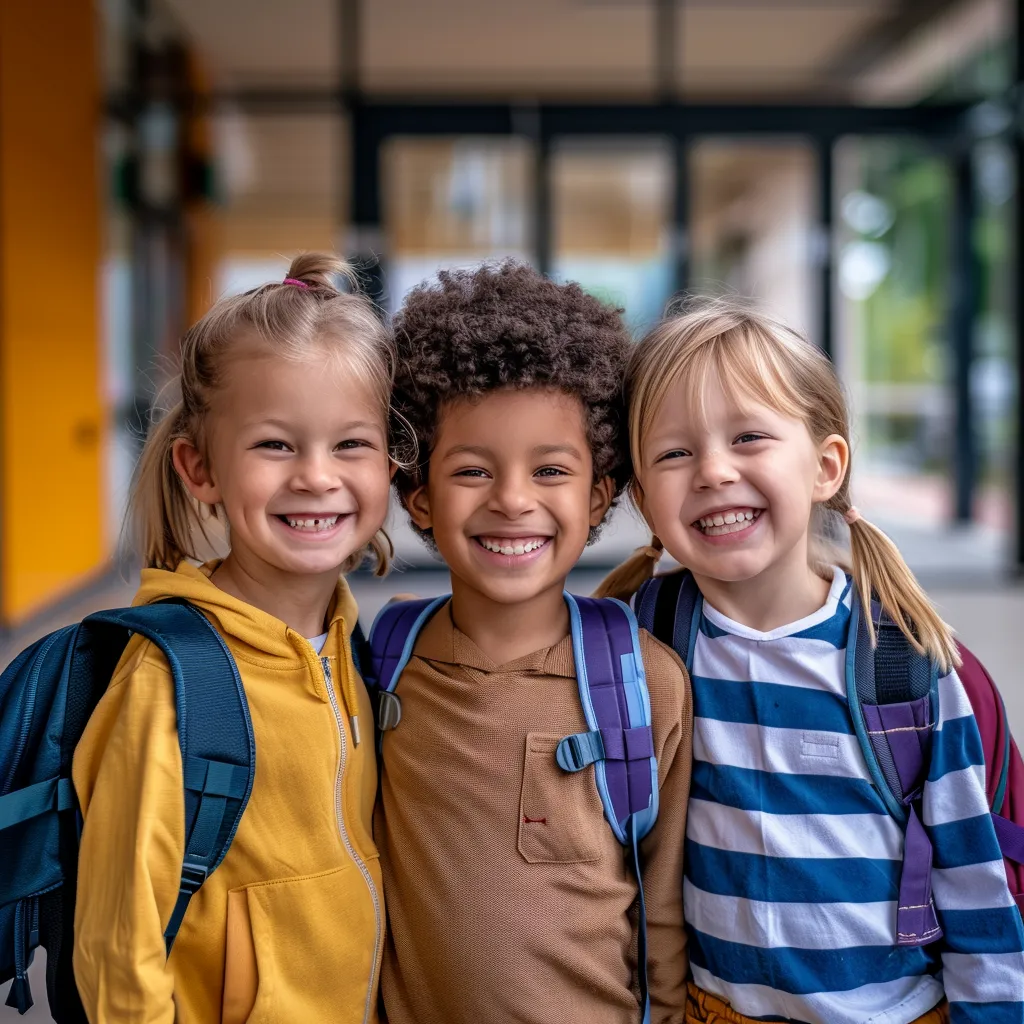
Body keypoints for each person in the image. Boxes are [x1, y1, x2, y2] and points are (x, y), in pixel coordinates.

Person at [598, 298, 1024, 1024]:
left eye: (750, 437)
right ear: (643, 495)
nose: (713, 471)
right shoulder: (641, 643)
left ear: (825, 467)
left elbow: (980, 891)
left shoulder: (909, 664)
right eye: (674, 452)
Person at [72, 254, 395, 1024]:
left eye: (351, 444)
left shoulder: (357, 648)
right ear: (199, 467)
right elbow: (119, 947)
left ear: (391, 460)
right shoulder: (171, 678)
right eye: (275, 446)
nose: (317, 477)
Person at [375, 262, 693, 1024]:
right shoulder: (379, 664)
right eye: (472, 469)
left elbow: (667, 913)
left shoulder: (645, 683)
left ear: (597, 495)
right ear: (419, 493)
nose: (512, 499)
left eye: (549, 469)